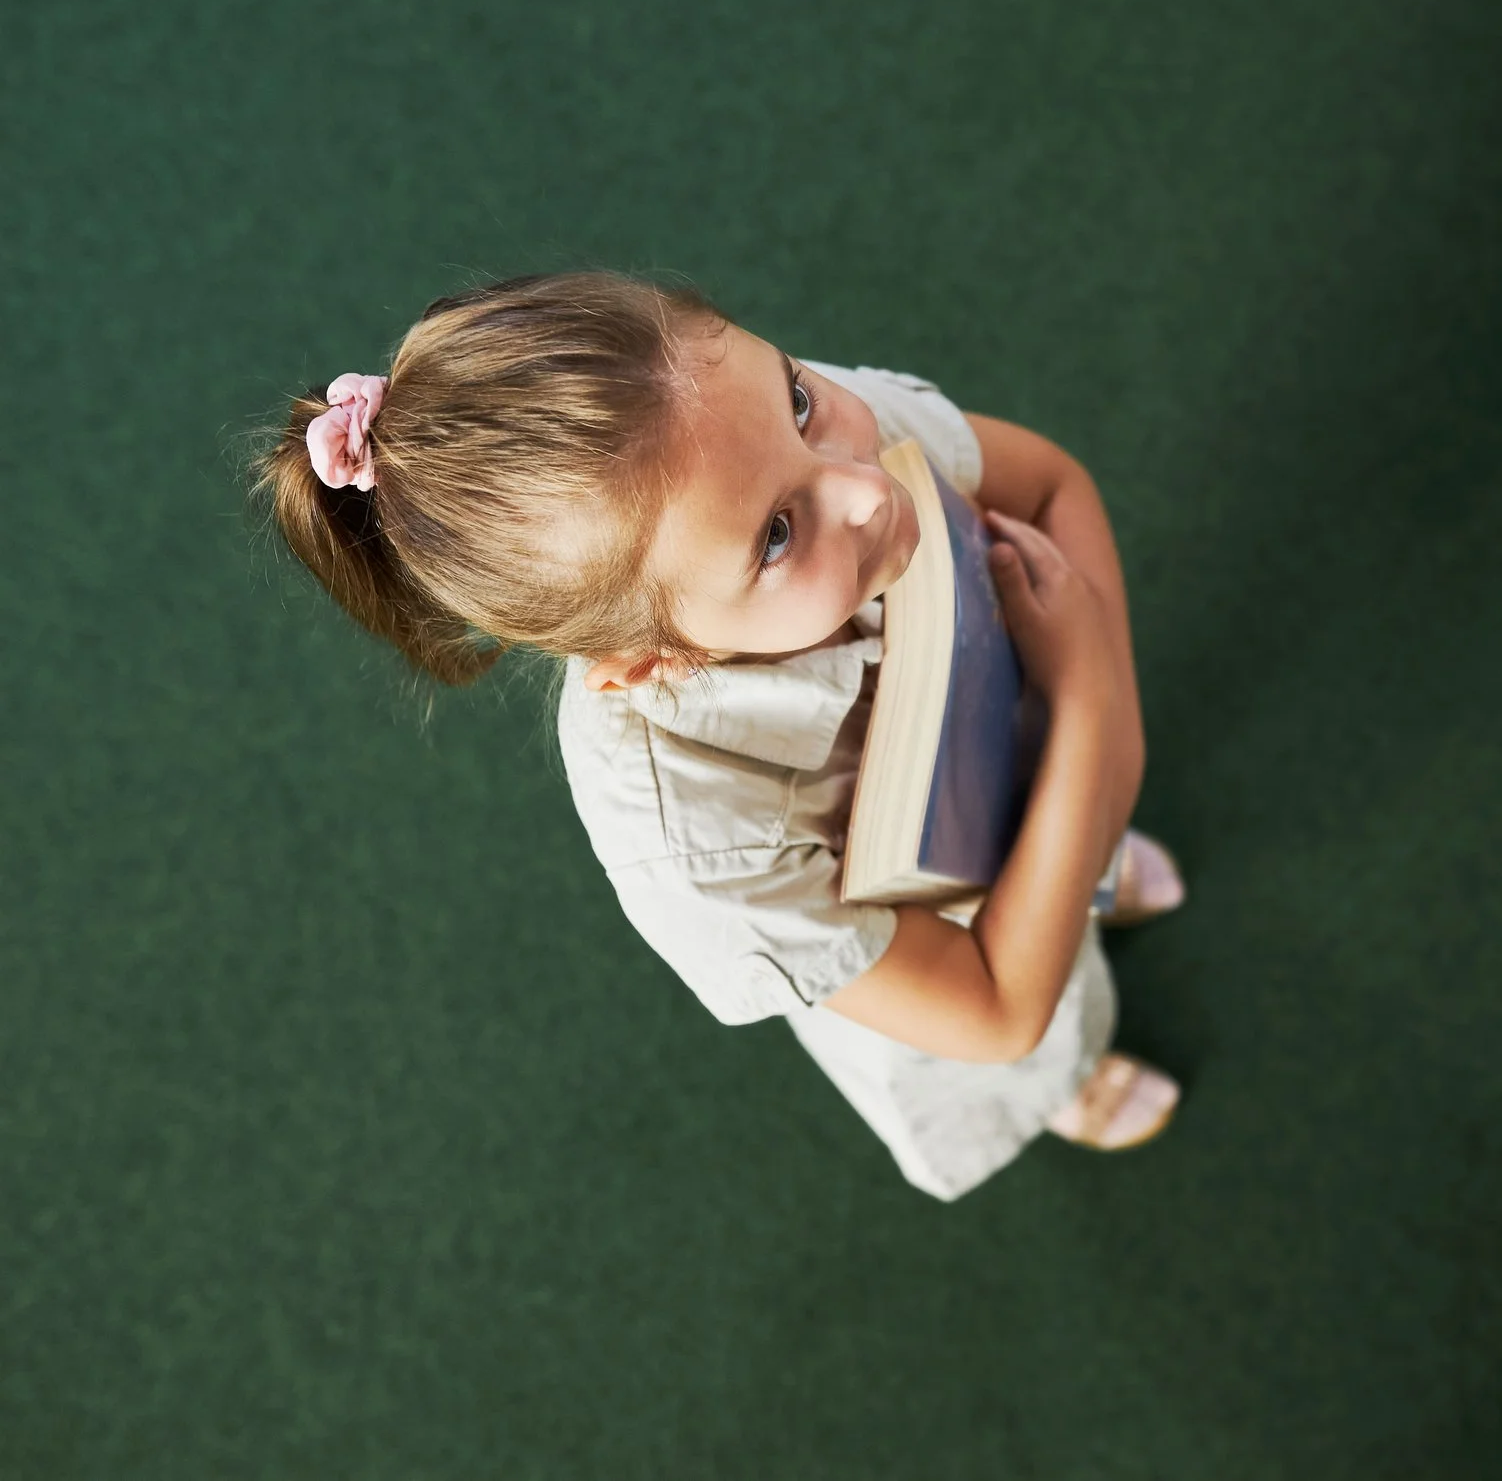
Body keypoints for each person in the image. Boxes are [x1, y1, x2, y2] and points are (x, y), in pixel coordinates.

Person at [256, 271, 1184, 1199]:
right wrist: (1093, 702)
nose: (864, 491)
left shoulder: (745, 442)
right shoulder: (696, 843)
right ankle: (1070, 1076)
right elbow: (995, 1009)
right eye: (778, 535)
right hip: (933, 945)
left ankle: (1078, 863)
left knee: (1062, 864)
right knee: (1034, 1039)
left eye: (799, 396)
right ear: (649, 659)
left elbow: (1052, 483)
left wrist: (1080, 768)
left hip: (1020, 748)